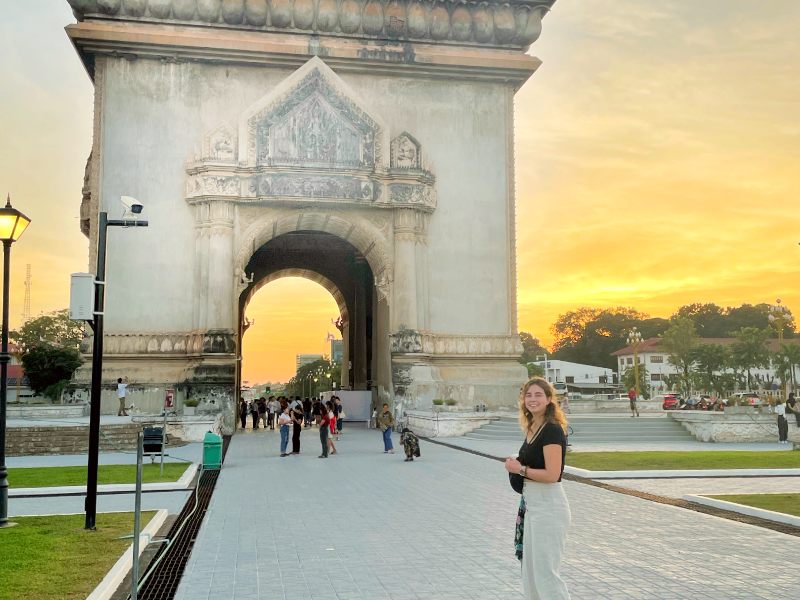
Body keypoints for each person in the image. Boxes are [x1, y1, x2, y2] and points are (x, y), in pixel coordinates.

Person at [504, 376, 571, 599]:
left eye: (538, 394)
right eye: (528, 395)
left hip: (549, 506)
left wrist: (519, 469)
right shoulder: (534, 426)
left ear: (550, 398)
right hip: (533, 505)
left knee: (546, 574)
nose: (532, 399)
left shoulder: (551, 430)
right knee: (530, 573)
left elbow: (553, 474)